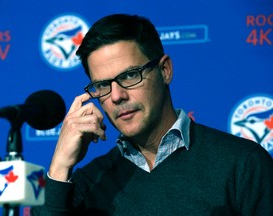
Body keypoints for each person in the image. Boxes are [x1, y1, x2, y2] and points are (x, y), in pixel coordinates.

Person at [31, 14, 273, 216]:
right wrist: (60, 166)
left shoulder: (243, 164)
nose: (116, 96)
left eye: (129, 75)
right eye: (103, 85)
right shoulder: (89, 184)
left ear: (165, 71)